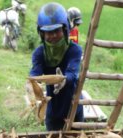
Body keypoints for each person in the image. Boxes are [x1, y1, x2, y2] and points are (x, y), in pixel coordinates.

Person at [29, 3, 84, 131]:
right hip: (53, 109)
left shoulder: (74, 50)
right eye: (48, 32)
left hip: (74, 108)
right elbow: (35, 72)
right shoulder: (39, 53)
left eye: (56, 31)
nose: (53, 36)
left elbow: (72, 73)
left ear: (65, 30)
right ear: (41, 34)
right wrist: (31, 82)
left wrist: (63, 80)